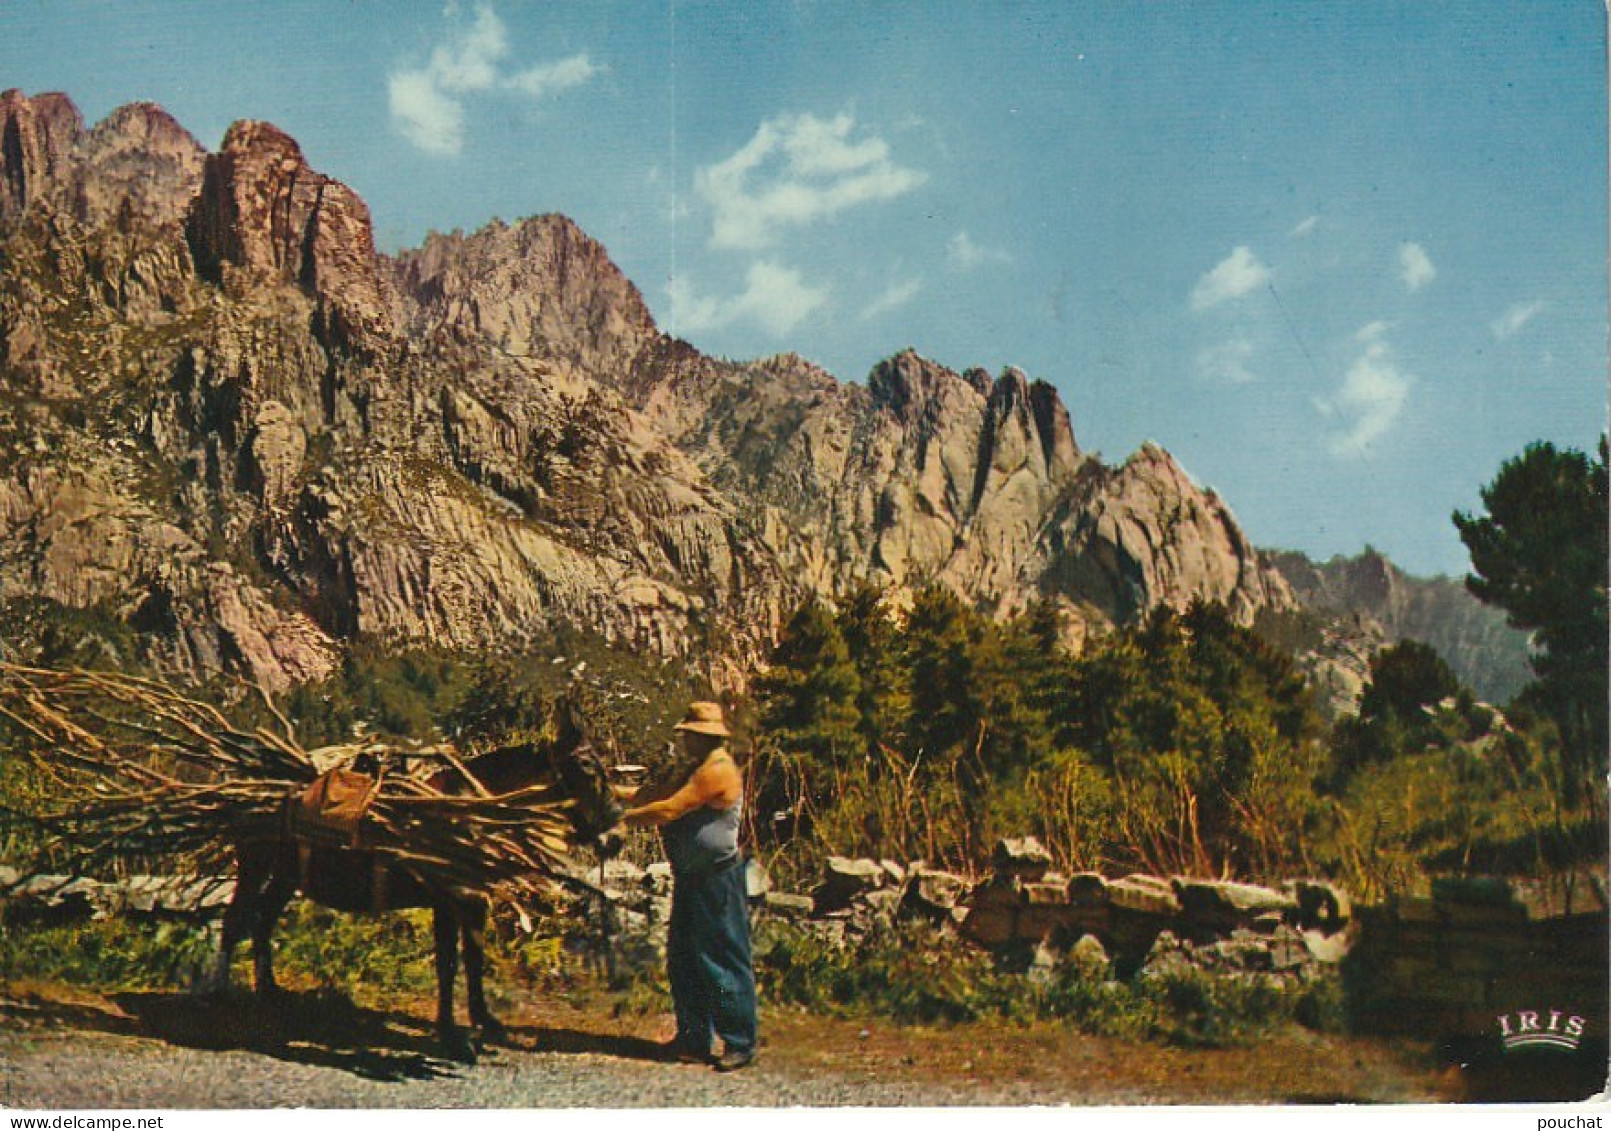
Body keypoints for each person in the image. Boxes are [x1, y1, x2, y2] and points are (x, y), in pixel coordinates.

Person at [617, 700, 758, 1072]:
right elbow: (654, 794)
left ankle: (739, 1042)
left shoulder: (716, 772)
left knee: (722, 959)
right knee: (685, 959)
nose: (685, 742)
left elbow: (668, 809)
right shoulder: (695, 768)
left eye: (689, 736)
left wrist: (621, 822)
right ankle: (693, 1038)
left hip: (716, 878)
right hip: (694, 876)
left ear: (701, 737)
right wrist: (612, 792)